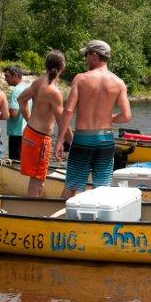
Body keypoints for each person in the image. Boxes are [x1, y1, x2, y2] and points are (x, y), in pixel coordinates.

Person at [56, 40, 131, 198]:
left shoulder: (81, 79)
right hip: (106, 139)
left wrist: (59, 140)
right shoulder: (119, 83)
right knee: (102, 188)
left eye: (86, 55)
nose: (85, 59)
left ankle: (63, 220)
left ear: (95, 56)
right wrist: (109, 117)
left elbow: (68, 111)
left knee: (72, 186)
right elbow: (126, 116)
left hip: (83, 139)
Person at [17, 51, 73, 198]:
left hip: (29, 133)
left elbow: (21, 100)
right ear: (62, 67)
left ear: (46, 65)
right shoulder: (54, 91)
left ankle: (31, 209)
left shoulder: (38, 82)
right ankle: (33, 214)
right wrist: (73, 142)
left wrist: (30, 120)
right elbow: (63, 122)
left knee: (34, 178)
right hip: (39, 139)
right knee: (39, 181)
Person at [4, 65, 29, 160]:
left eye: (7, 76)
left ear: (15, 75)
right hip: (27, 131)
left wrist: (0, 112)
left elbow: (13, 114)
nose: (5, 79)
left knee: (15, 163)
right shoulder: (27, 88)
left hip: (16, 133)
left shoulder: (15, 90)